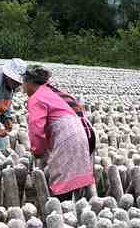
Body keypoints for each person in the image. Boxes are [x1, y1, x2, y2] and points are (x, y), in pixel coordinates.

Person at [24, 65, 95, 202]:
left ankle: (62, 211)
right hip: (86, 133)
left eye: (23, 83)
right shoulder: (55, 92)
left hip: (69, 136)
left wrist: (37, 151)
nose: (23, 87)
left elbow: (36, 128)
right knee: (76, 178)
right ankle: (75, 210)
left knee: (62, 182)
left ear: (29, 82)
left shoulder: (37, 97)